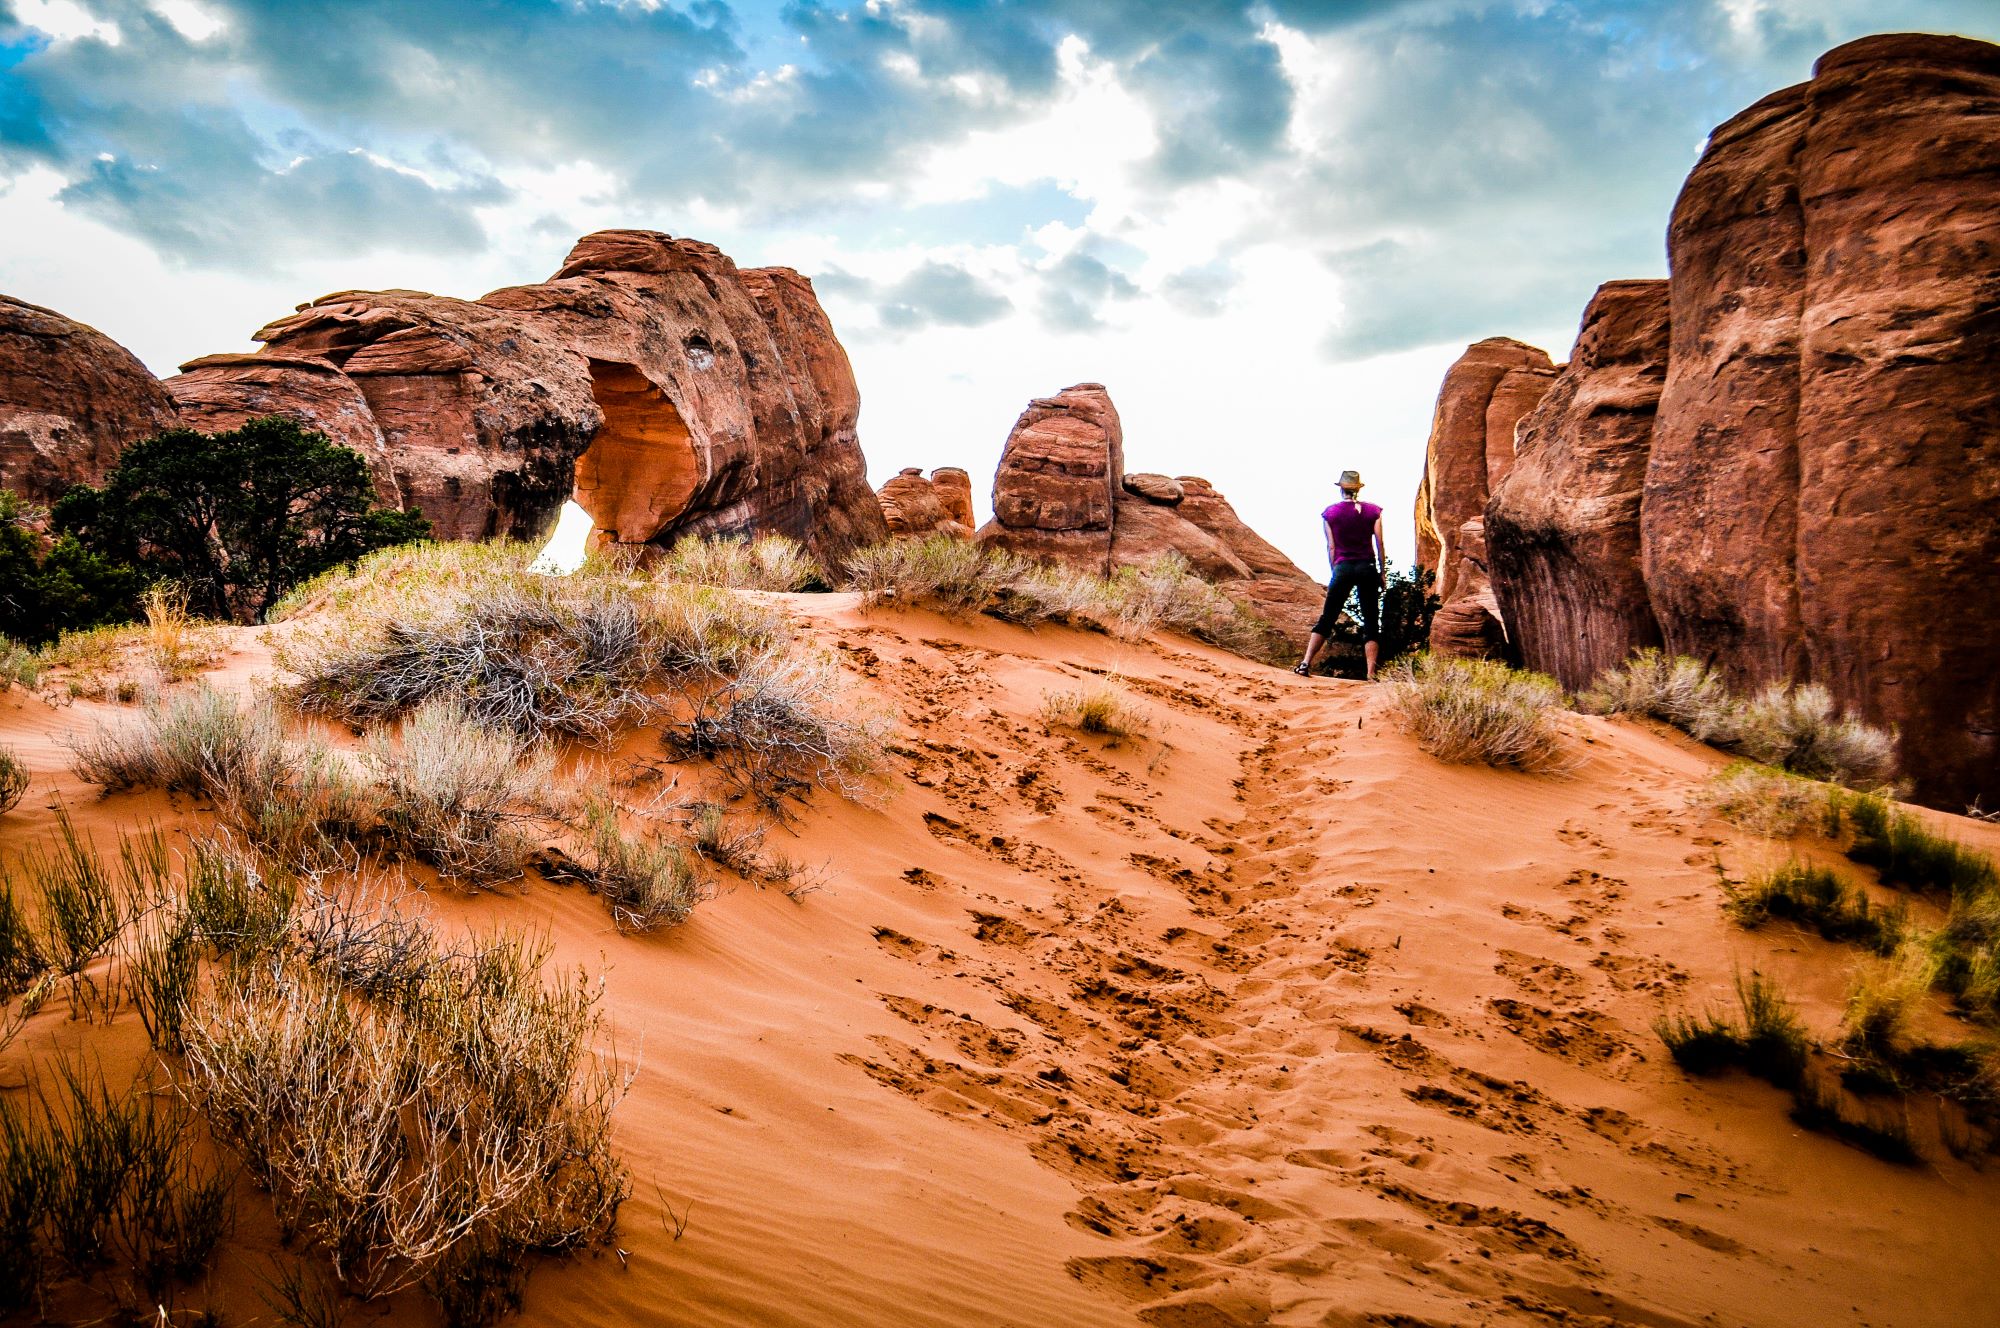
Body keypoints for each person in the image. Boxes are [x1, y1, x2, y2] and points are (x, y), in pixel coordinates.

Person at [1294, 469, 1385, 680]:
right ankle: (1371, 673)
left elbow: (1331, 547)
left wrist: (1335, 570)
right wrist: (1382, 572)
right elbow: (1379, 543)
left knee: (1328, 617)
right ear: (1358, 489)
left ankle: (1305, 663)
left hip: (1343, 567)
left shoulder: (1330, 513)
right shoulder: (1374, 511)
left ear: (1341, 489)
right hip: (1367, 567)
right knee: (1371, 620)